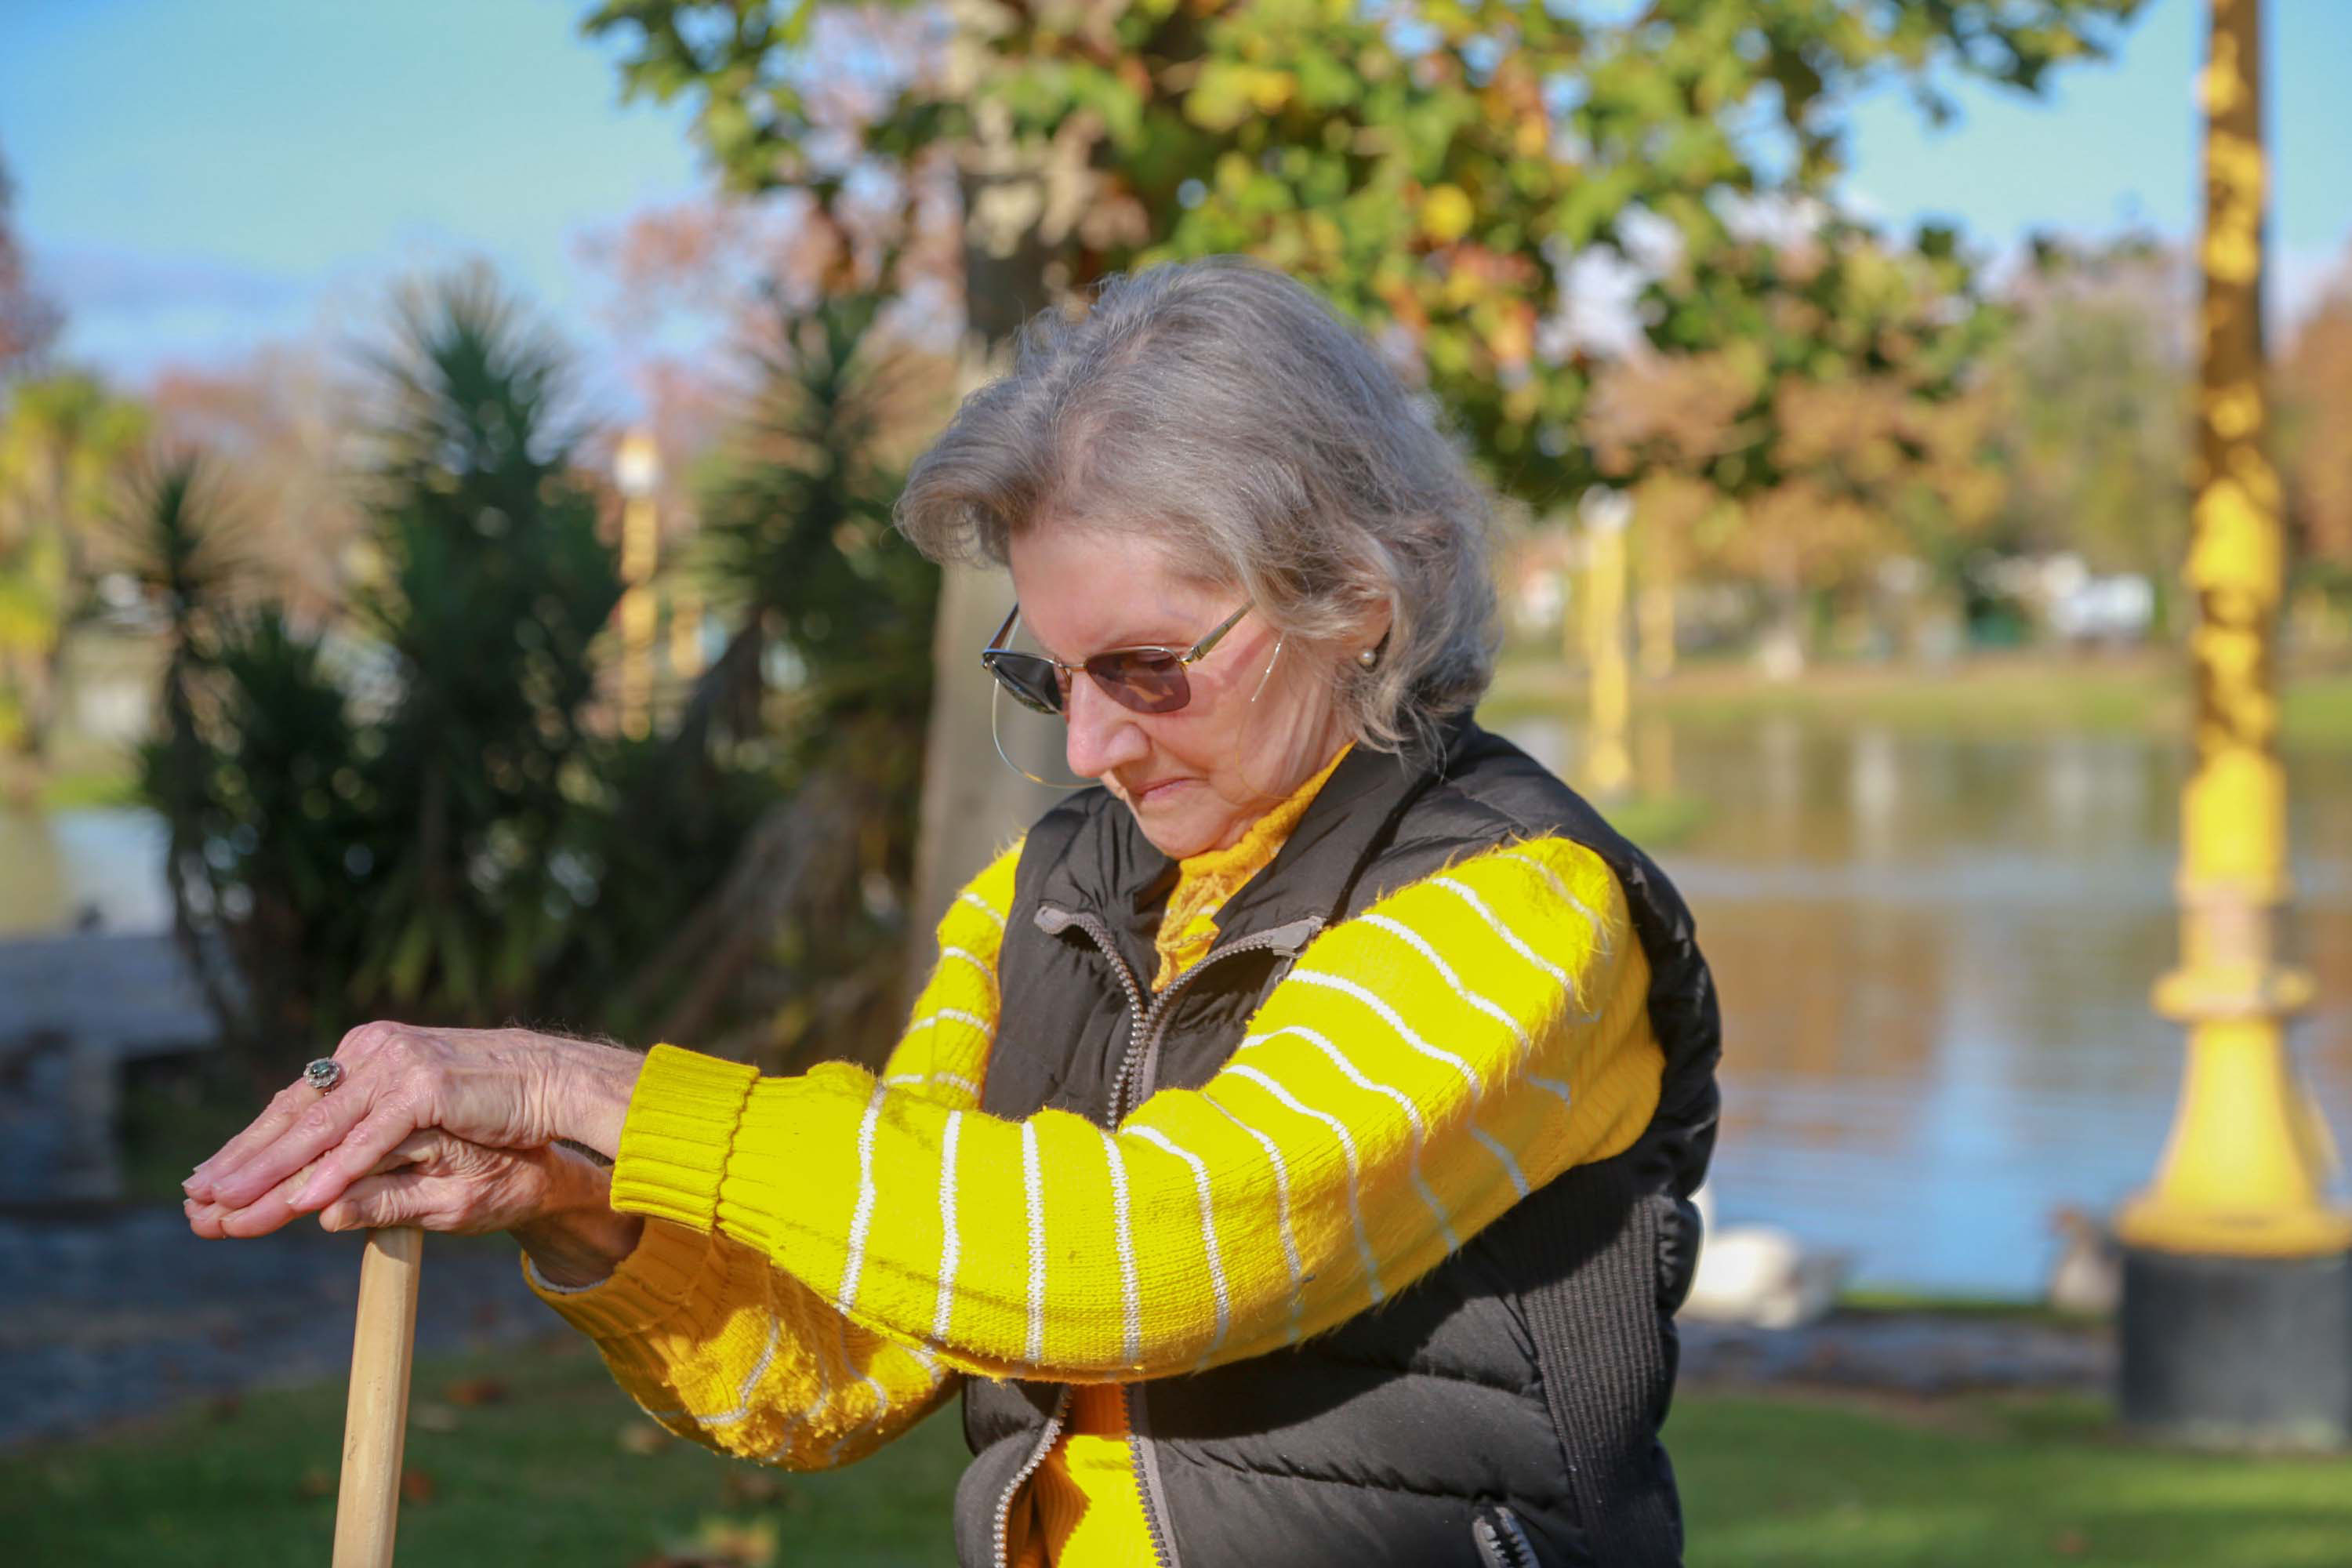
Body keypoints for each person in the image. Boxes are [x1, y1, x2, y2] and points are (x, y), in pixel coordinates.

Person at [183, 256, 1720, 1568]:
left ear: (1360, 603)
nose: (1090, 747)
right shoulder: (1045, 892)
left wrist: (596, 1089)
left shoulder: (1516, 905)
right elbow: (837, 1364)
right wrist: (594, 1200)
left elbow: (1157, 1248)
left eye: (1147, 667)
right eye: (1047, 677)